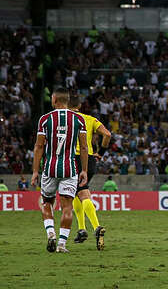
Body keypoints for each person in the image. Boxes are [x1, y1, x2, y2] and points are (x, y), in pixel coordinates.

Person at [31, 87, 88, 253]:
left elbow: (39, 146)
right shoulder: (78, 119)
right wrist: (84, 170)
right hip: (70, 169)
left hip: (50, 169)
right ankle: (62, 245)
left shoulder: (44, 119)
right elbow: (84, 147)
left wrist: (35, 171)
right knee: (67, 207)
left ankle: (51, 234)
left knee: (47, 203)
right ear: (68, 101)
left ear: (54, 99)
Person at [68, 94, 111, 250]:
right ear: (79, 106)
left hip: (72, 159)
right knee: (78, 192)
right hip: (90, 159)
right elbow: (107, 134)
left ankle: (95, 227)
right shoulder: (90, 119)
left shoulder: (65, 119)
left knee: (80, 192)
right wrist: (102, 152)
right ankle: (81, 229)